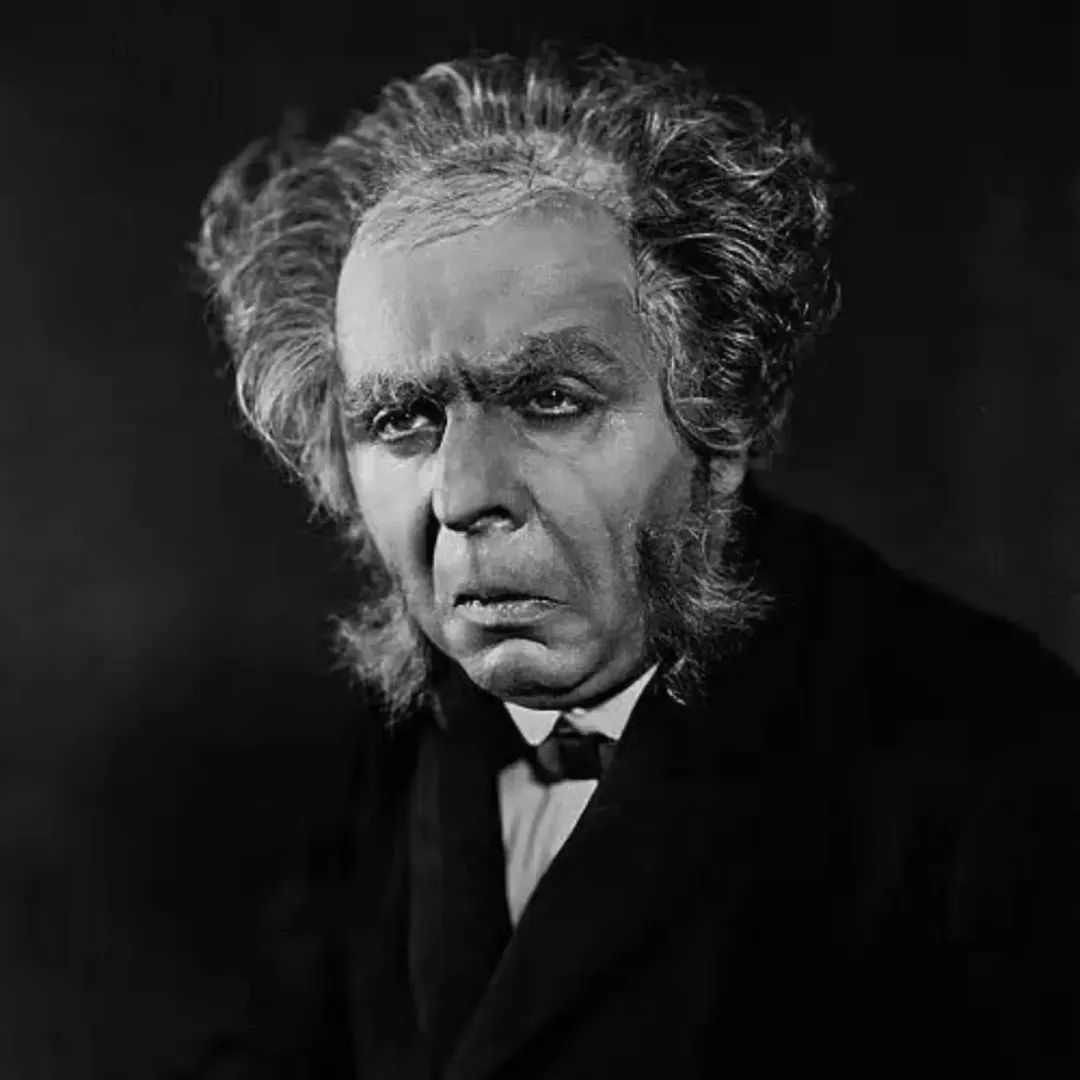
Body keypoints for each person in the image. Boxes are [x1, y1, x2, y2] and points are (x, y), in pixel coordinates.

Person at [178, 48, 1080, 1079]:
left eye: (550, 400)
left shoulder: (996, 772)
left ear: (720, 421)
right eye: (402, 419)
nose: (464, 496)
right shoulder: (404, 735)